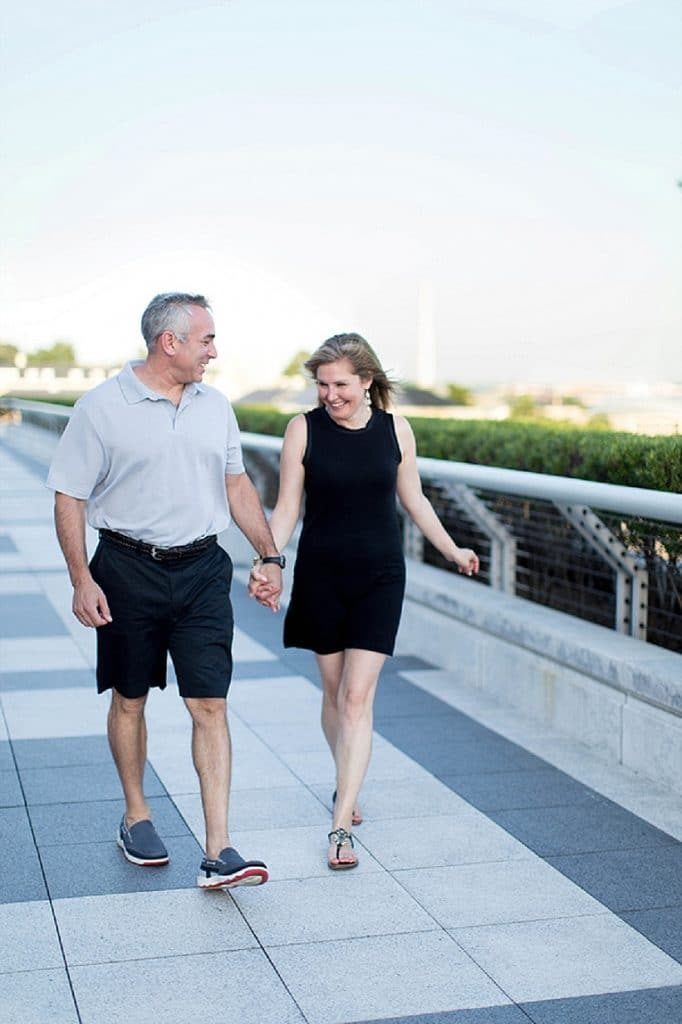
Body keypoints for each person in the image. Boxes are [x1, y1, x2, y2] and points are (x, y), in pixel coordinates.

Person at [47, 293, 285, 890]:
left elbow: (236, 485)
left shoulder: (216, 407)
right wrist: (82, 578)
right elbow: (69, 495)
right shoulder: (102, 407)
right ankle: (136, 814)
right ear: (168, 342)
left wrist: (271, 554)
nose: (214, 351)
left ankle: (220, 848)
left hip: (204, 569)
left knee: (210, 703)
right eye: (206, 339)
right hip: (126, 568)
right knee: (130, 697)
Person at [253, 333, 479, 870]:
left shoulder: (395, 429)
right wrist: (268, 558)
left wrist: (451, 549)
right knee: (333, 695)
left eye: (341, 385)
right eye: (322, 384)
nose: (330, 395)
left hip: (380, 577)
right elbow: (286, 509)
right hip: (321, 576)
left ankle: (340, 826)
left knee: (357, 697)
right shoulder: (302, 429)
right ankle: (345, 785)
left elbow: (414, 497)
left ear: (368, 381)